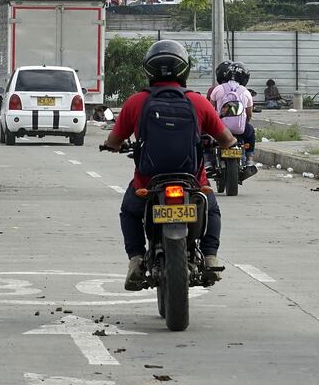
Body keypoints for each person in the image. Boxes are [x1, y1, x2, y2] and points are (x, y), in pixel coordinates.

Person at [102, 40, 237, 290]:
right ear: (184, 69)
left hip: (148, 182)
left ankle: (136, 260)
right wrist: (222, 143)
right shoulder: (197, 101)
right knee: (212, 209)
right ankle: (210, 257)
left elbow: (114, 140)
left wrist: (111, 145)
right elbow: (227, 140)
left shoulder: (136, 102)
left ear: (149, 70)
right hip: (192, 181)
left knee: (130, 211)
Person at [209, 61, 257, 175]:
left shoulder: (218, 89)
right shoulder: (246, 92)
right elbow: (249, 114)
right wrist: (243, 123)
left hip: (220, 128)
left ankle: (207, 162)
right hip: (240, 129)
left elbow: (210, 109)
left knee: (205, 138)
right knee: (251, 132)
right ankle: (249, 160)